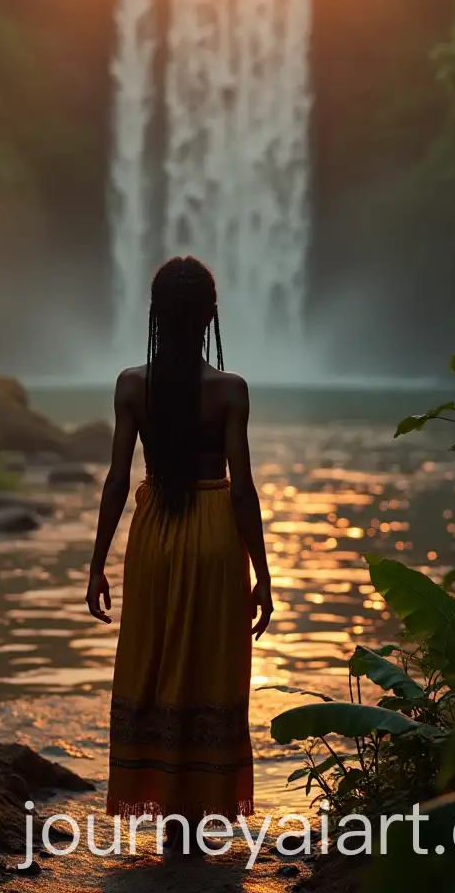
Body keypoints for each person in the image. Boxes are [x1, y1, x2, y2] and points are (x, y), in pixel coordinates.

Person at [85, 255, 273, 848]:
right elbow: (242, 488)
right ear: (211, 316)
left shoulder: (131, 386)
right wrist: (263, 574)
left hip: (156, 535)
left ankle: (166, 814)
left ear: (155, 315)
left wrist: (95, 563)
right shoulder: (230, 391)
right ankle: (199, 812)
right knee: (209, 662)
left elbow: (117, 481)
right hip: (217, 533)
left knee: (158, 658)